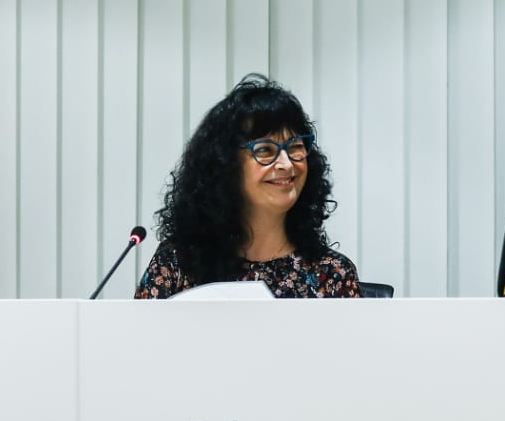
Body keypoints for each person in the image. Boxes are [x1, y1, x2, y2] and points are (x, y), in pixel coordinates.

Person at [135, 74, 362, 299]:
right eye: (265, 150)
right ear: (226, 164)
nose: (286, 164)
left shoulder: (333, 274)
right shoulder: (177, 263)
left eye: (295, 147)